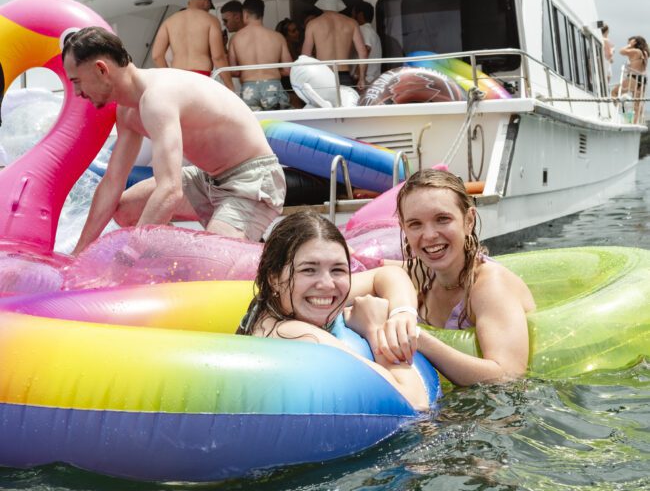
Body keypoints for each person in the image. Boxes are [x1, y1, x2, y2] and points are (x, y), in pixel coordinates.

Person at [62, 26, 286, 253]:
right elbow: (112, 182)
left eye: (77, 80)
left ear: (101, 69)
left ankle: (237, 250)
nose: (77, 91)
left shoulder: (157, 98)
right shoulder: (127, 111)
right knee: (126, 210)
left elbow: (170, 189)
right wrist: (78, 253)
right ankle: (192, 256)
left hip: (252, 178)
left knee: (213, 258)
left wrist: (129, 255)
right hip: (208, 178)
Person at [353, 170, 535, 386]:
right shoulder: (420, 272)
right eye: (415, 224)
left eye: (442, 219)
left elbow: (508, 376)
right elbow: (360, 281)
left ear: (468, 221)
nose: (429, 235)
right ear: (403, 228)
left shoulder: (490, 286)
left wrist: (418, 338)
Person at [236, 211, 430, 412]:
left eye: (338, 270)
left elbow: (388, 274)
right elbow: (414, 402)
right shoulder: (293, 333)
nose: (327, 284)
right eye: (308, 270)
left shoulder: (293, 298)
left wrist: (402, 313)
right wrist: (376, 329)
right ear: (274, 278)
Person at [151, 0, 233, 91]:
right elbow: (217, 57)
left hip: (177, 76)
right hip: (201, 75)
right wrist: (230, 86)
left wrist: (170, 76)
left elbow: (156, 56)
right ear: (206, 2)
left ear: (189, 1)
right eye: (209, 7)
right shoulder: (211, 20)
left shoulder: (169, 21)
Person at [228, 0, 292, 111]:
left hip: (249, 87)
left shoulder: (235, 38)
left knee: (255, 126)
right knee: (278, 124)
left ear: (245, 14)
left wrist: (249, 71)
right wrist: (271, 71)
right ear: (262, 14)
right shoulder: (277, 37)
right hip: (273, 86)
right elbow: (288, 70)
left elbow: (234, 71)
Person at [301, 0, 367, 90]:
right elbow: (363, 52)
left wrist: (306, 79)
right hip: (344, 76)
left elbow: (305, 56)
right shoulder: (352, 23)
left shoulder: (313, 24)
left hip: (323, 76)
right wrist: (362, 78)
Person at [616, 36, 648, 121]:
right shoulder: (645, 53)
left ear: (635, 43)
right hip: (642, 80)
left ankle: (614, 114)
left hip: (634, 78)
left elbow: (621, 51)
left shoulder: (636, 51)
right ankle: (636, 122)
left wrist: (630, 45)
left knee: (614, 92)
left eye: (629, 42)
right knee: (637, 104)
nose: (628, 44)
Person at [275, 18, 304, 108]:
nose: (297, 33)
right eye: (293, 31)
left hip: (297, 86)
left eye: (297, 30)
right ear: (285, 35)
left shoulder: (297, 48)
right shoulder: (281, 50)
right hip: (288, 87)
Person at [351, 1, 382, 85]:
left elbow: (366, 50)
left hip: (366, 80)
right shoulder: (372, 32)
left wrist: (357, 75)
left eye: (353, 14)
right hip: (372, 79)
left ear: (360, 15)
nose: (351, 18)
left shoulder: (363, 29)